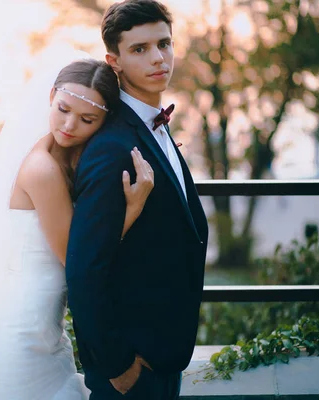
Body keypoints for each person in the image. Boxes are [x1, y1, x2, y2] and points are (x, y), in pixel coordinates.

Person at [0, 57, 155, 399]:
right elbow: (74, 257)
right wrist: (133, 208)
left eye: (87, 119)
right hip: (21, 325)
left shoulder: (70, 157)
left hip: (43, 320)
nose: (69, 125)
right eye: (63, 109)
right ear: (51, 95)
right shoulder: (43, 169)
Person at [65, 1, 209, 399]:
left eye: (164, 43)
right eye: (140, 49)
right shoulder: (112, 146)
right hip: (131, 368)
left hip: (163, 354)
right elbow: (84, 269)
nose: (159, 58)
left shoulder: (151, 126)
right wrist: (117, 366)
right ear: (114, 61)